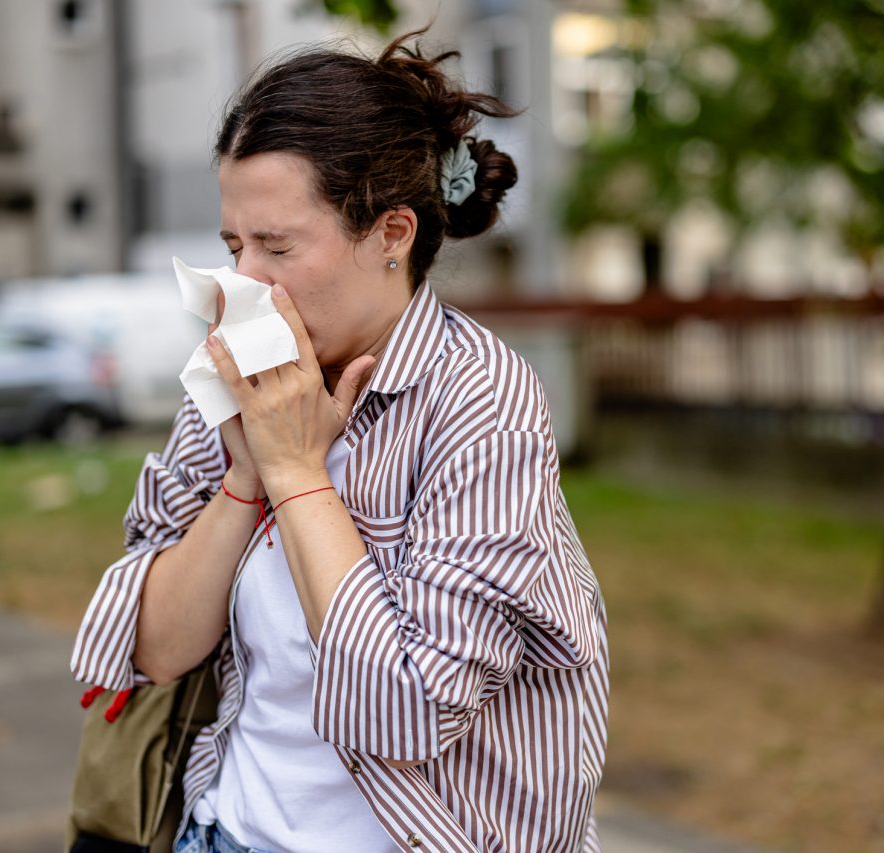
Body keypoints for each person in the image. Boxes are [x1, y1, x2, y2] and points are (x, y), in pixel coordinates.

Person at [71, 29, 609, 853]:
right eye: (233, 246)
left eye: (278, 246)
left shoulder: (480, 402)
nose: (244, 281)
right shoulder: (234, 373)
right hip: (222, 829)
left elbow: (411, 708)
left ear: (392, 234)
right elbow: (151, 649)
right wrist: (242, 481)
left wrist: (296, 473)